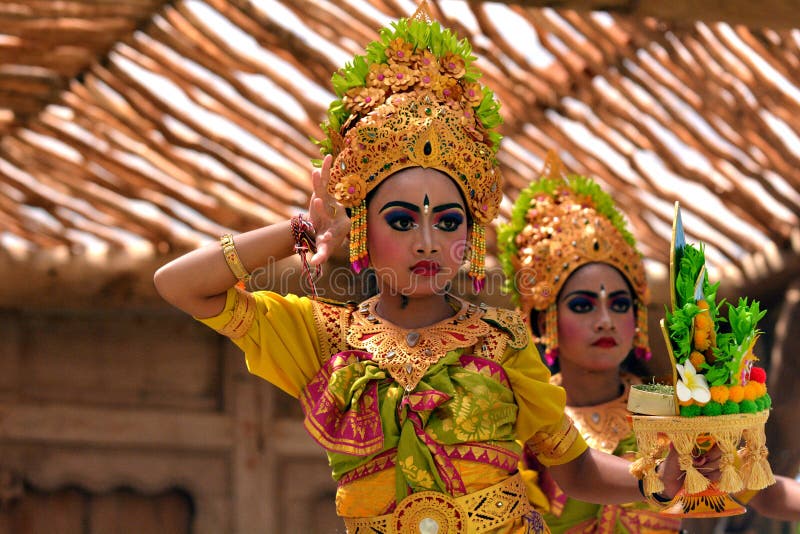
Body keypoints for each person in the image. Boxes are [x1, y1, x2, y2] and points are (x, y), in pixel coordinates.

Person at [153, 5, 711, 533]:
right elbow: (178, 285)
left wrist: (656, 479)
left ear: (469, 237)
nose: (427, 242)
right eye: (400, 221)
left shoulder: (502, 342)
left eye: (447, 222)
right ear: (362, 227)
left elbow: (578, 472)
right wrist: (299, 230)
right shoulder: (323, 337)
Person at [497, 153, 800, 533]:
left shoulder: (673, 411)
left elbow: (763, 491)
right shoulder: (528, 415)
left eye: (620, 305)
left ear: (638, 320)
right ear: (543, 321)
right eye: (582, 305)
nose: (606, 320)